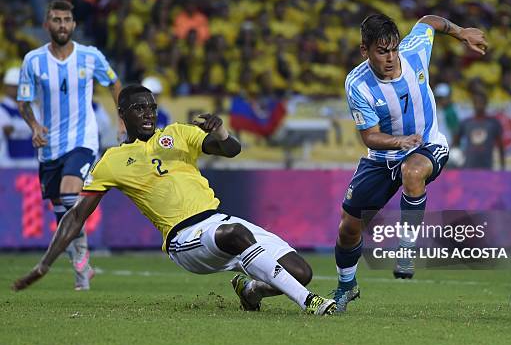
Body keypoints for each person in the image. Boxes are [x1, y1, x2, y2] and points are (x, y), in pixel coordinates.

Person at [12, 85, 337, 316]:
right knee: (238, 234)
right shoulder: (111, 160)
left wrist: (221, 133)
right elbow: (75, 217)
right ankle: (309, 302)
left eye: (152, 107)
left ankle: (250, 291)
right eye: (139, 108)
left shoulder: (178, 133)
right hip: (184, 240)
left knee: (299, 270)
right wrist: (45, 264)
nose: (148, 114)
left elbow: (231, 150)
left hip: (216, 221)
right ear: (122, 114)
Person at [333, 13, 487, 312]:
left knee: (412, 171)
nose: (390, 58)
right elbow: (369, 137)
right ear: (365, 50)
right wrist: (398, 142)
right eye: (382, 51)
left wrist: (461, 33)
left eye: (393, 49)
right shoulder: (358, 84)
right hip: (382, 157)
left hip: (427, 144)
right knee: (348, 229)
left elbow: (429, 21)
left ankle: (406, 248)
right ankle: (346, 286)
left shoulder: (415, 51)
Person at [16, 0, 122, 290]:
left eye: (67, 20)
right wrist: (35, 126)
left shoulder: (90, 56)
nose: (62, 25)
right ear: (46, 24)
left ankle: (80, 267)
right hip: (49, 146)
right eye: (56, 19)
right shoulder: (33, 61)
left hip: (83, 141)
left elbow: (114, 83)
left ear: (74, 25)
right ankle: (83, 265)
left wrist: (121, 120)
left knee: (68, 194)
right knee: (62, 209)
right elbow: (24, 102)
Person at [454, 91, 505, 170]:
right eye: (476, 102)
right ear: (473, 104)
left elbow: (501, 146)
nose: (479, 105)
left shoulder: (493, 123)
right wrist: (457, 159)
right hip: (468, 166)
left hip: (487, 166)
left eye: (481, 102)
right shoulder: (466, 123)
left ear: (486, 103)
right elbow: (455, 143)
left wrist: (502, 166)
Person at [0, 67, 38, 168]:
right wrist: (31, 127)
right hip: (8, 163)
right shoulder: (2, 108)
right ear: (6, 87)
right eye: (12, 86)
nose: (15, 89)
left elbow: (40, 129)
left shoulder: (32, 107)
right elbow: (8, 130)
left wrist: (16, 128)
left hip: (31, 162)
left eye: (17, 86)